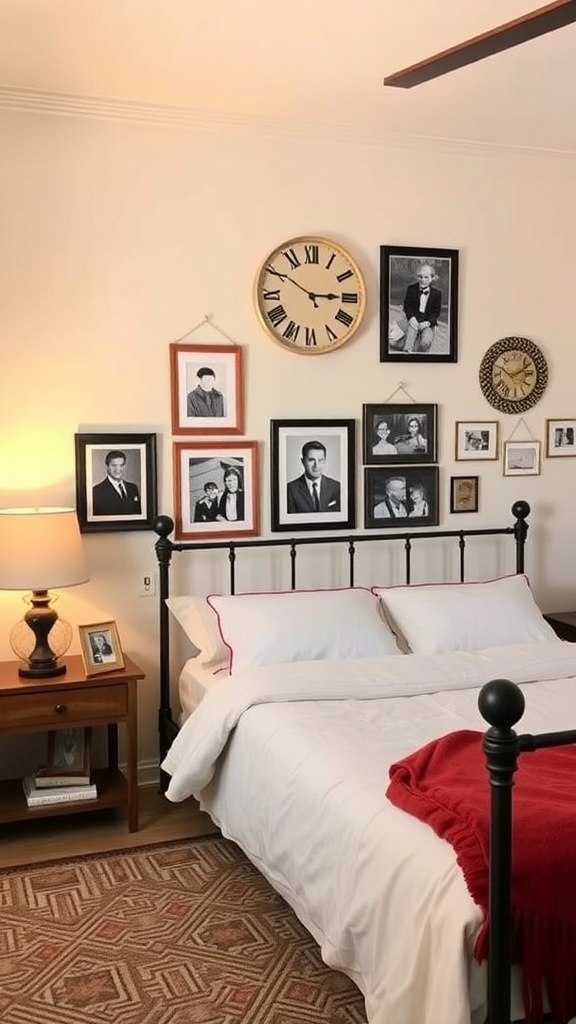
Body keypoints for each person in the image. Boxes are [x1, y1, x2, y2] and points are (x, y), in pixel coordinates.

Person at [286, 440, 341, 514]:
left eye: (320, 460)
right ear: (303, 461)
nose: (316, 466)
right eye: (311, 460)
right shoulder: (290, 489)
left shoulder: (336, 487)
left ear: (325, 461)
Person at [402, 263, 442, 354]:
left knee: (425, 342)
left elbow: (436, 312)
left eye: (426, 277)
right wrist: (411, 318)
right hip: (414, 319)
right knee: (409, 342)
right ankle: (407, 354)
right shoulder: (411, 289)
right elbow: (407, 305)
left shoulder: (437, 293)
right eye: (420, 277)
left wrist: (428, 323)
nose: (422, 280)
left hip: (427, 322)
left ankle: (420, 356)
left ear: (432, 278)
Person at [92, 450, 141, 516]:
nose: (118, 469)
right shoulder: (97, 491)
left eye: (121, 465)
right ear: (107, 467)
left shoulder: (133, 488)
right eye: (114, 465)